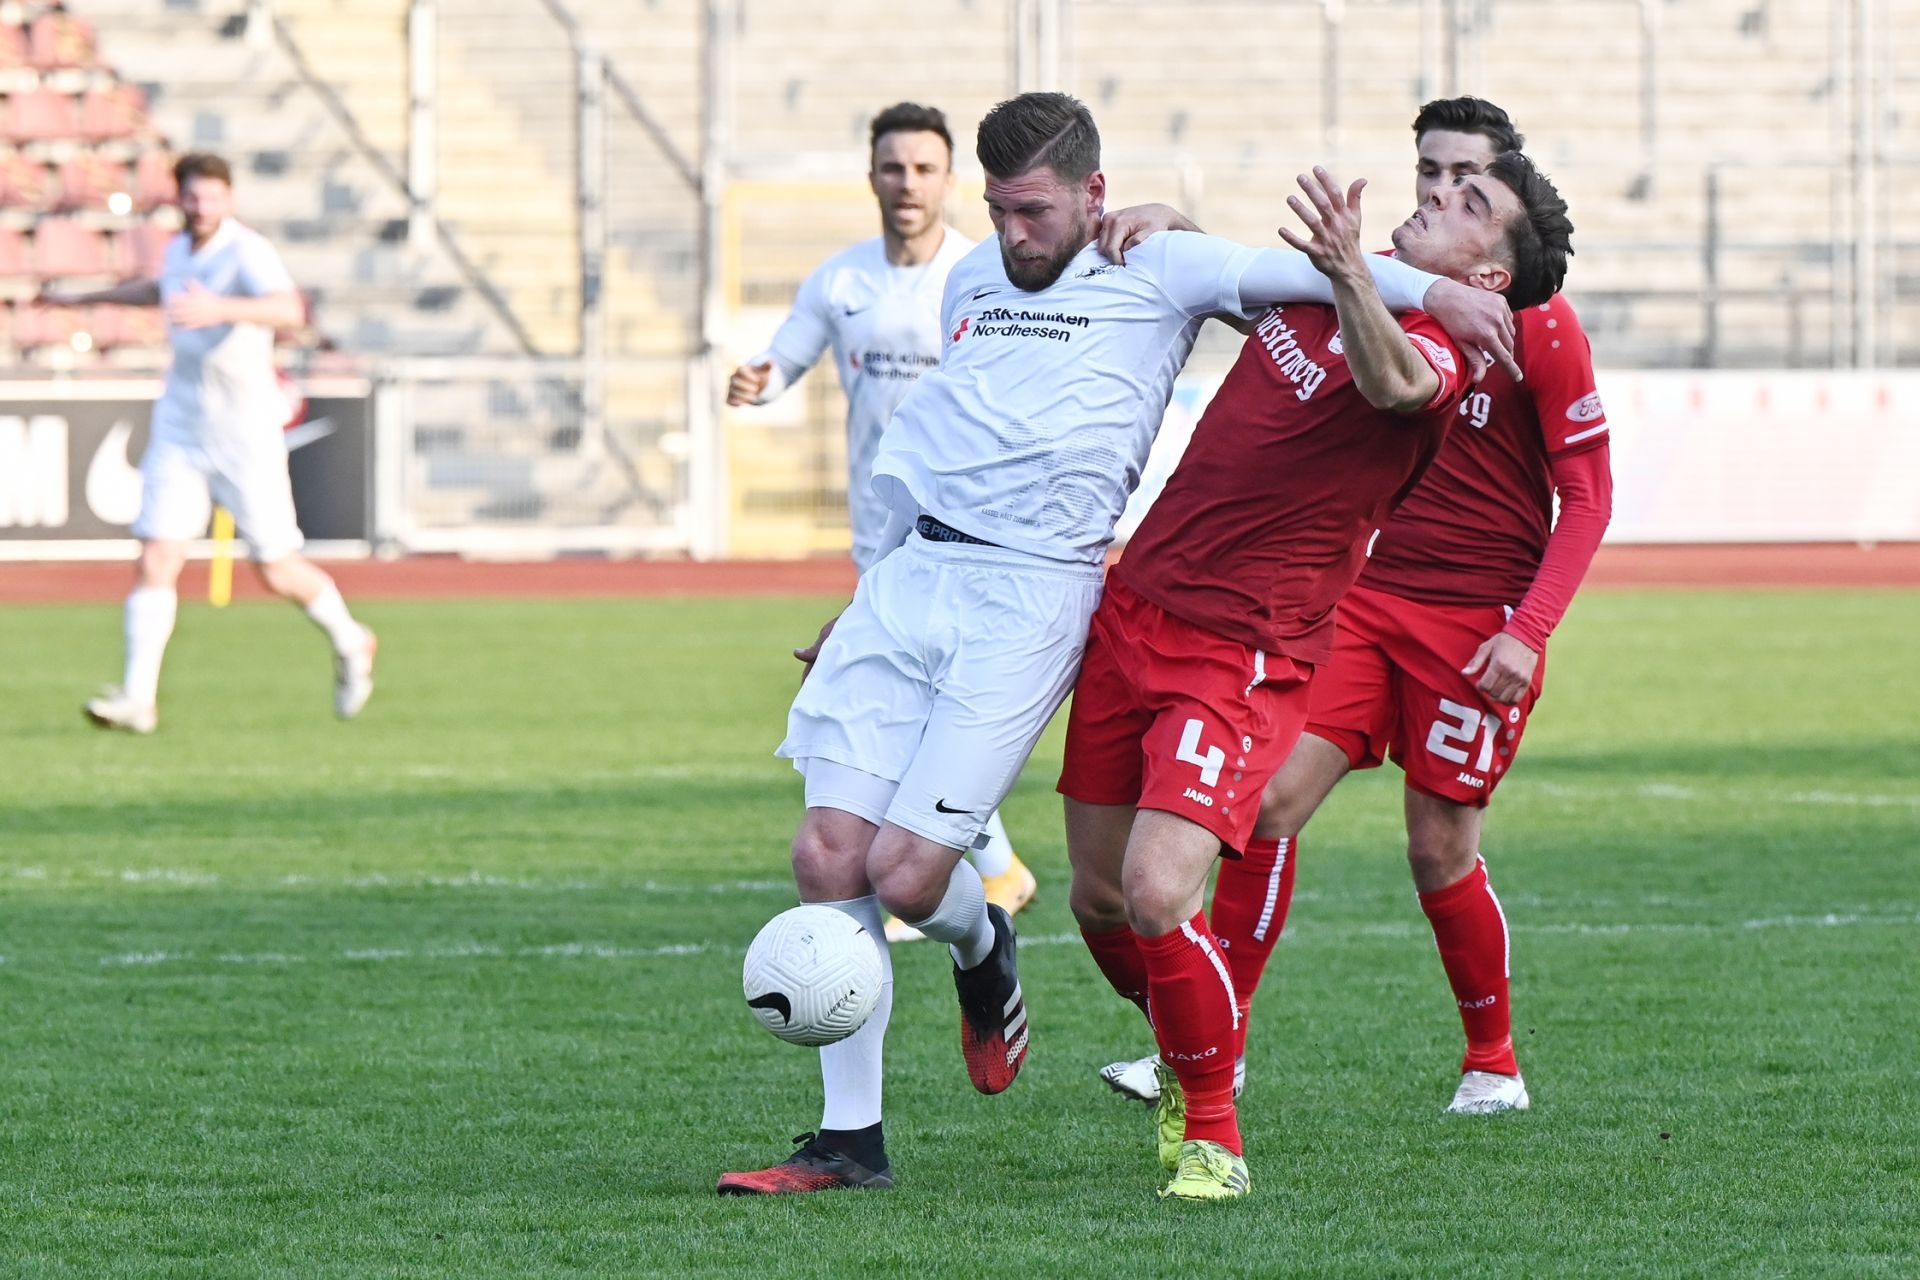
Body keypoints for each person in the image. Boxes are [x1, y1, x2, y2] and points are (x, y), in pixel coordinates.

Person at [716, 91, 1517, 1196]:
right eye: (995, 210)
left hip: (1045, 594)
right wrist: (866, 591)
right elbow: (953, 432)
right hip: (915, 576)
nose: (1009, 234)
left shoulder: (1165, 270)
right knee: (825, 855)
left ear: (1088, 194)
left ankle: (1000, 953)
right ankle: (849, 1140)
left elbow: (1308, 281)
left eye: (1031, 210)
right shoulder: (974, 278)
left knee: (910, 876)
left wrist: (1436, 292)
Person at [1063, 150, 1573, 1200]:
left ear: (1486, 278)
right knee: (1102, 901)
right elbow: (1240, 287)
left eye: (1470, 202)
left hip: (1242, 647)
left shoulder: (1445, 347)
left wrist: (1348, 267)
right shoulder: (1337, 281)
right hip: (1135, 609)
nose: (1436, 197)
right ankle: (1192, 1041)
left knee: (1165, 891)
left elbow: (1394, 384)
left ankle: (1212, 1131)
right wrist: (1182, 225)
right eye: (1436, 183)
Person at [725, 102, 1038, 943]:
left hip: (965, 532)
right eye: (893, 167)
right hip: (881, 530)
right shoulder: (842, 279)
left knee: (928, 712)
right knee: (913, 711)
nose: (908, 183)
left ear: (949, 180)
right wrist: (762, 377)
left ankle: (980, 872)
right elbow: (788, 352)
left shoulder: (984, 275)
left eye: (925, 168)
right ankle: (993, 868)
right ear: (872, 176)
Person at [43, 152, 376, 734]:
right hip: (182, 424)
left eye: (213, 197)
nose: (202, 207)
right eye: (194, 197)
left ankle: (352, 639)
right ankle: (137, 699)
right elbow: (159, 290)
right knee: (157, 557)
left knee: (274, 569)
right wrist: (86, 300)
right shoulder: (178, 250)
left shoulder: (246, 251)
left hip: (243, 434)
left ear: (230, 199)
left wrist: (221, 308)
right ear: (180, 198)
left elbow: (289, 309)